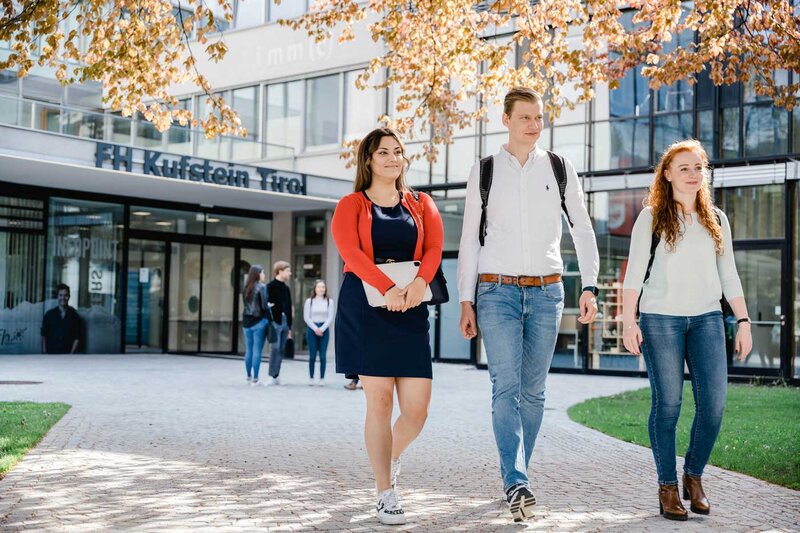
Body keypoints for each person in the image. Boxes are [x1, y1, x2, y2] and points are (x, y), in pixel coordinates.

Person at [457, 87, 600, 522]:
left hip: (547, 291)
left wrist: (590, 285)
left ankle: (516, 478)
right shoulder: (484, 170)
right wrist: (466, 299)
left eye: (539, 117)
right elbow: (469, 239)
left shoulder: (560, 167)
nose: (534, 125)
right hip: (496, 291)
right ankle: (517, 481)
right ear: (506, 120)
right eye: (525, 117)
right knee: (506, 387)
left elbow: (582, 228)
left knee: (533, 393)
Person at [621, 139, 752, 521]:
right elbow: (633, 274)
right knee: (669, 405)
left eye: (698, 167)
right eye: (684, 168)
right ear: (667, 174)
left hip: (708, 319)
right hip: (660, 319)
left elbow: (729, 274)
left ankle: (693, 476)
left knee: (713, 407)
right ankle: (667, 487)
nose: (693, 175)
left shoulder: (717, 219)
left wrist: (743, 321)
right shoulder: (651, 218)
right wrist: (629, 322)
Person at [332, 127, 443, 525]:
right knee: (379, 402)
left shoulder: (421, 203)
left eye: (398, 151)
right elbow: (350, 252)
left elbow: (434, 248)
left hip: (411, 307)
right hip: (367, 309)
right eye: (384, 152)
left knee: (417, 412)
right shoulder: (351, 205)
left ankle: (388, 457)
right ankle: (384, 492)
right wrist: (387, 287)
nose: (393, 158)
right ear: (368, 159)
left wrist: (418, 284)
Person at [241, 265, 271, 386]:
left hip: (246, 321)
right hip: (259, 321)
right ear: (258, 273)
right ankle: (256, 378)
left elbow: (246, 304)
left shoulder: (246, 287)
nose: (264, 275)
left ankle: (248, 376)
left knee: (249, 349)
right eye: (263, 272)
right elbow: (264, 306)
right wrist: (269, 306)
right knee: (257, 350)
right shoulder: (262, 287)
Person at [303, 279, 334, 386]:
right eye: (319, 287)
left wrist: (322, 329)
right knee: (312, 356)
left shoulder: (329, 301)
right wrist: (316, 329)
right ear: (315, 289)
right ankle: (311, 378)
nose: (321, 289)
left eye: (323, 287)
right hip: (312, 329)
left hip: (324, 330)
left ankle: (322, 378)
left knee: (323, 356)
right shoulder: (309, 301)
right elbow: (306, 317)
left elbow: (330, 317)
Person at [266, 260, 292, 386]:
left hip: (285, 322)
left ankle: (276, 375)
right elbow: (266, 305)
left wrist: (290, 326)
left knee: (281, 349)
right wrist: (270, 321)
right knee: (275, 348)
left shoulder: (286, 288)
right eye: (287, 271)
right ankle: (271, 375)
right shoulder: (270, 287)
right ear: (280, 271)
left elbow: (289, 307)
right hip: (275, 322)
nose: (290, 273)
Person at [41, 283, 82, 354]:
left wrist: (71, 355)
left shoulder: (75, 316)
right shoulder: (49, 315)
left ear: (69, 297)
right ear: (57, 296)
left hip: (67, 355)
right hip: (51, 355)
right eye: (61, 295)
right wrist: (44, 354)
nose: (63, 298)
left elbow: (77, 338)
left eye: (66, 295)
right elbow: (44, 336)